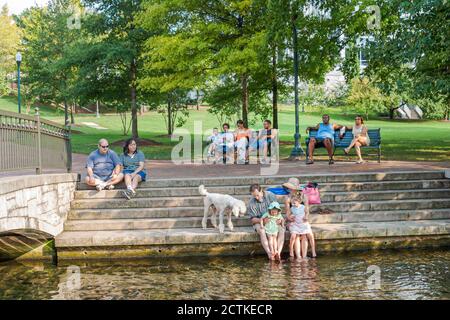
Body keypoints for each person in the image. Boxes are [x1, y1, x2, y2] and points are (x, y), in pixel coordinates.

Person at [248, 184, 286, 261]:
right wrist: (261, 221)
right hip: (259, 221)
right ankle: (269, 253)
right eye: (254, 196)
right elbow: (252, 220)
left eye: (257, 195)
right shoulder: (251, 202)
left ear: (261, 191)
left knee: (282, 230)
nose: (256, 198)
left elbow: (277, 210)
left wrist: (279, 220)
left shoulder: (270, 195)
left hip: (273, 219)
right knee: (262, 231)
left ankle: (278, 252)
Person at [283, 178, 317, 258]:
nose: (290, 189)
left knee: (304, 234)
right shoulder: (287, 197)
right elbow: (287, 213)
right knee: (297, 235)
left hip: (302, 219)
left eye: (291, 188)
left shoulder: (304, 196)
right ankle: (298, 256)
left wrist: (306, 217)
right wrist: (290, 218)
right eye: (289, 188)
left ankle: (304, 256)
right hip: (293, 220)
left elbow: (307, 210)